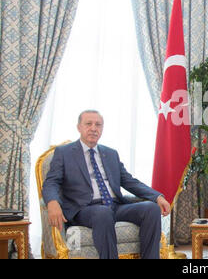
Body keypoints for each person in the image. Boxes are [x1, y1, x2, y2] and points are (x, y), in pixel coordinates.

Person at [42, 110, 171, 259]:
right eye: (88, 124)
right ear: (79, 127)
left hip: (115, 206)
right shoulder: (64, 153)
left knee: (150, 208)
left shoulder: (110, 153)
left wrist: (157, 197)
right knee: (102, 212)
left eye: (98, 125)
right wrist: (52, 202)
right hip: (85, 209)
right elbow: (51, 182)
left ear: (102, 129)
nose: (93, 128)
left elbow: (129, 181)